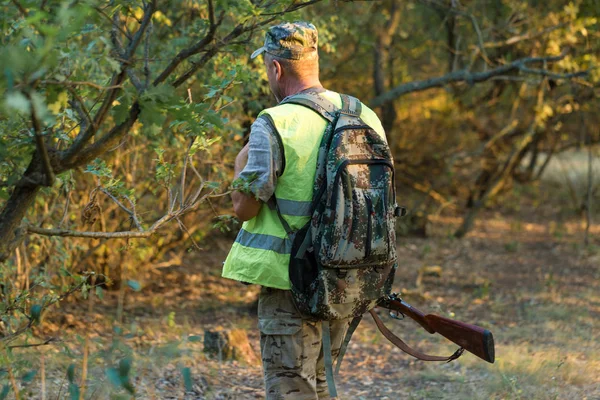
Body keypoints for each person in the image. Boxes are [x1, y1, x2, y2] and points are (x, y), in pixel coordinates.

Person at [222, 21, 388, 399]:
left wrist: (239, 162)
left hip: (289, 283)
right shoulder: (364, 115)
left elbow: (243, 207)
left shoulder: (275, 122)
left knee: (291, 389)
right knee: (323, 386)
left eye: (266, 67)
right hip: (346, 278)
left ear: (275, 68)